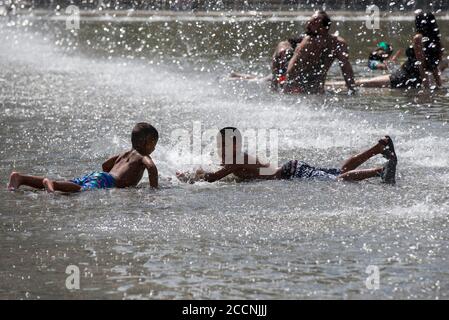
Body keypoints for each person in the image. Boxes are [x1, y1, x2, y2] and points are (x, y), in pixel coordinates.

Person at [176, 127, 397, 185]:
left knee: (338, 180)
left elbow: (214, 178)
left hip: (290, 173)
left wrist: (190, 177)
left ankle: (379, 171)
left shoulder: (237, 158)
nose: (219, 147)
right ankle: (377, 149)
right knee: (339, 171)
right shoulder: (236, 157)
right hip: (291, 169)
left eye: (222, 144)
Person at [7, 123, 159, 192]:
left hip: (101, 176)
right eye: (154, 144)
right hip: (106, 180)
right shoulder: (142, 157)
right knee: (80, 190)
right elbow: (151, 168)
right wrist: (154, 189)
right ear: (147, 143)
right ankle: (51, 182)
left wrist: (116, 174)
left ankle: (20, 178)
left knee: (71, 183)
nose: (154, 148)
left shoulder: (124, 153)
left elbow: (105, 165)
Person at [355, 10, 444, 89]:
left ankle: (347, 84)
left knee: (361, 83)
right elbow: (434, 65)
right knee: (365, 83)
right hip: (412, 78)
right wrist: (439, 85)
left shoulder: (418, 38)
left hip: (403, 76)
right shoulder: (435, 41)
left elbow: (420, 64)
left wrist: (426, 87)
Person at [282, 11, 356, 94]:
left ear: (324, 27)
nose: (308, 25)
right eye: (309, 22)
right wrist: (288, 90)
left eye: (313, 23)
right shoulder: (307, 42)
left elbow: (346, 68)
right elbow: (291, 68)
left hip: (316, 88)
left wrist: (352, 89)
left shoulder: (338, 44)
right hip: (292, 82)